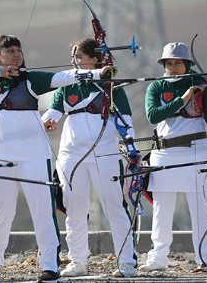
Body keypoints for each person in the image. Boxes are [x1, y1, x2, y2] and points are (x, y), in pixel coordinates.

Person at [0, 35, 109, 283]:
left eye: (19, 50)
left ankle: (49, 266)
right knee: (0, 212)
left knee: (42, 211)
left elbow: (64, 77)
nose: (17, 55)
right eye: (10, 51)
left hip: (34, 156)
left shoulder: (30, 79)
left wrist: (98, 74)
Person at [41, 38, 138, 278]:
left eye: (80, 57)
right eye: (73, 57)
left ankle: (127, 262)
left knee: (114, 207)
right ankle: (77, 261)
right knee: (74, 209)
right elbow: (53, 112)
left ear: (94, 59)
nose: (74, 61)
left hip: (104, 154)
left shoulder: (111, 86)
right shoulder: (67, 84)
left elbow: (125, 121)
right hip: (71, 156)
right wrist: (47, 121)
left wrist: (131, 149)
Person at [139, 42, 207, 272]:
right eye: (168, 63)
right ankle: (157, 258)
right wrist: (182, 99)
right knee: (162, 209)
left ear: (187, 64)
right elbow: (153, 116)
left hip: (196, 151)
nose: (172, 67)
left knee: (200, 208)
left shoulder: (201, 86)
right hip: (163, 154)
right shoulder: (155, 87)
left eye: (177, 63)